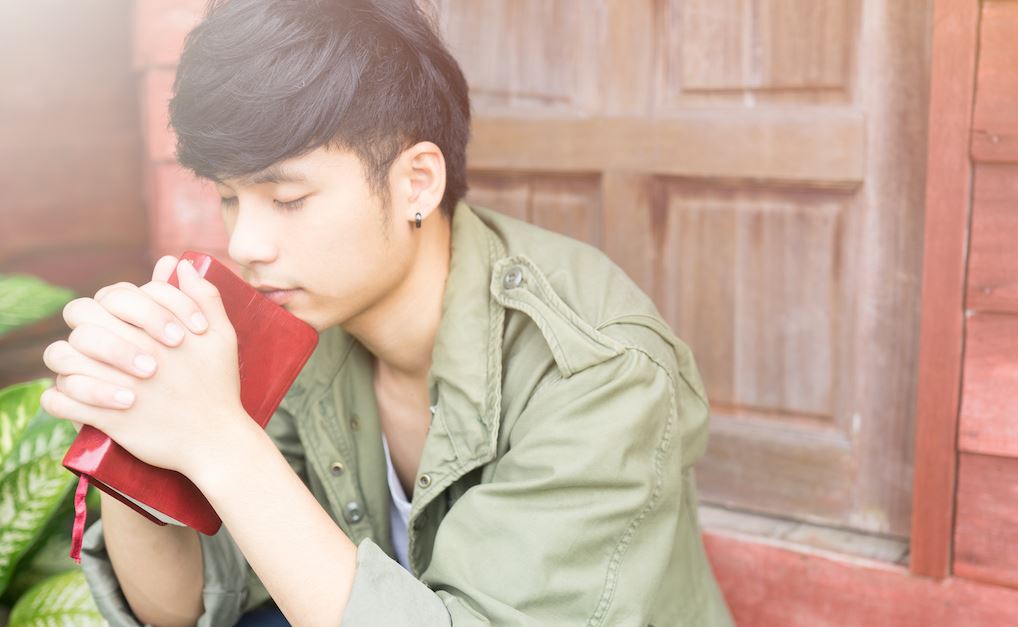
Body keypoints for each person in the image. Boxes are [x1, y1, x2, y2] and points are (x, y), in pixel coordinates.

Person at [39, 0, 734, 625]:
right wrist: (128, 428)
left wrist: (220, 438)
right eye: (229, 198)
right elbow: (187, 606)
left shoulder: (597, 368)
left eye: (287, 199)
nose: (245, 244)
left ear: (416, 183)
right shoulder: (304, 326)